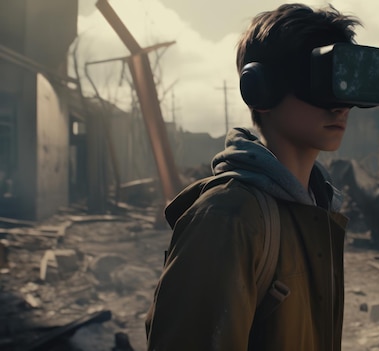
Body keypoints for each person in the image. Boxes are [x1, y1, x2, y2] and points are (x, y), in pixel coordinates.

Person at [146, 4, 365, 350]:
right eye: (318, 82)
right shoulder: (228, 217)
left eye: (342, 82)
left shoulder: (314, 208)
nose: (339, 106)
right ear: (261, 89)